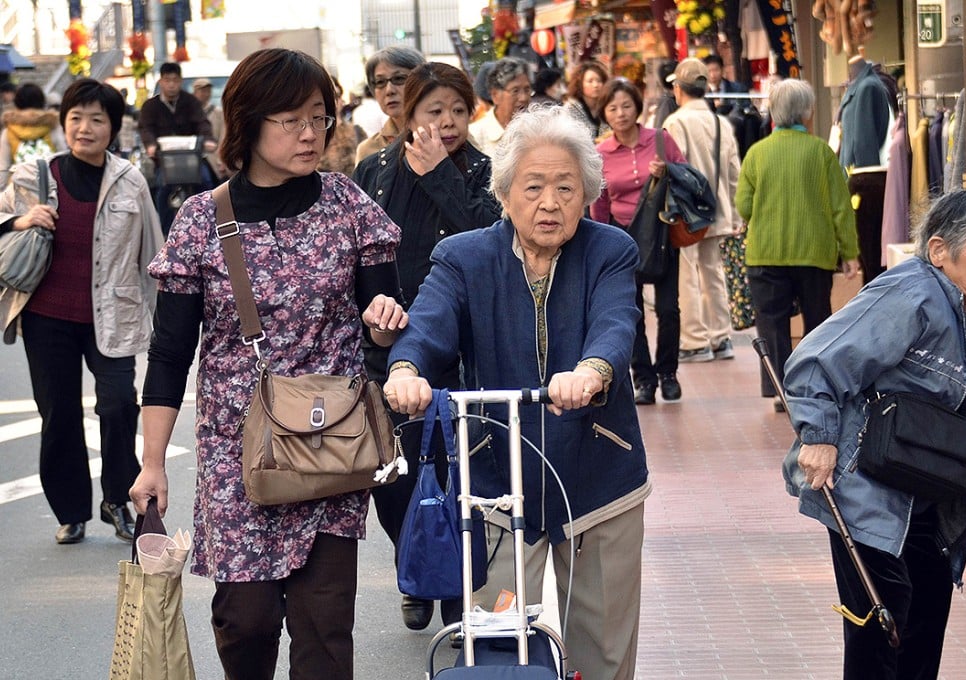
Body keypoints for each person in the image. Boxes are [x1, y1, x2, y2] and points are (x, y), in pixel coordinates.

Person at [128, 48, 407, 680]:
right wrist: (151, 463)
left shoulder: (350, 208)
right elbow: (171, 354)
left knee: (324, 628)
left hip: (333, 447)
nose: (311, 133)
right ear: (248, 124)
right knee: (245, 623)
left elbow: (384, 313)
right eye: (291, 120)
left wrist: (386, 322)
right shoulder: (201, 221)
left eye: (320, 117)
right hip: (237, 455)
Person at [383, 106, 649, 680]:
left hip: (600, 470)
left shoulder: (610, 250)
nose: (549, 203)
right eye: (533, 187)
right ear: (504, 194)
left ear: (587, 195)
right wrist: (405, 369)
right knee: (494, 642)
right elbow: (427, 326)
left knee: (601, 653)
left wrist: (593, 371)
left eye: (565, 187)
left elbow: (614, 323)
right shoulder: (464, 256)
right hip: (496, 477)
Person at [783, 189, 966, 680]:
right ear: (939, 250)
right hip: (866, 488)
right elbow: (815, 361)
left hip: (921, 490)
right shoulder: (910, 293)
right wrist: (818, 436)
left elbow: (933, 403)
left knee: (926, 613)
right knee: (880, 626)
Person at [353, 61, 501, 631]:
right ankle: (411, 564)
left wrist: (443, 174)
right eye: (434, 111)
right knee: (394, 478)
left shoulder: (485, 171)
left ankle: (457, 588)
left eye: (459, 111)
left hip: (464, 348)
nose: (447, 122)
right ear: (407, 113)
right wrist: (370, 322)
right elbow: (356, 261)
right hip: (388, 347)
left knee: (462, 473)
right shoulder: (374, 173)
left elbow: (488, 241)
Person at [0, 78, 162, 545]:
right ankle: (70, 511)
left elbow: (153, 251)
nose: (85, 128)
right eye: (76, 117)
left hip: (114, 313)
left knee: (117, 406)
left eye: (97, 119)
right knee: (59, 414)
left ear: (113, 127)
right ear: (63, 122)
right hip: (47, 317)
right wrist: (20, 219)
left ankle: (117, 498)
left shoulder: (130, 180)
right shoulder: (35, 175)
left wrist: (167, 317)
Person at [735, 79, 860, 411]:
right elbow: (840, 207)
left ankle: (781, 390)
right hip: (814, 252)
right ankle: (816, 386)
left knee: (772, 322)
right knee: (818, 319)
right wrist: (849, 253)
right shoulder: (821, 152)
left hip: (765, 252)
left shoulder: (757, 153)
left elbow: (743, 205)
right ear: (806, 112)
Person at [590, 78, 685, 405]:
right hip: (621, 236)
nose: (620, 113)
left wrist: (669, 171)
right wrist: (600, 242)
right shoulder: (599, 153)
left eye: (626, 105)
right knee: (632, 312)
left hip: (660, 233)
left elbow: (687, 179)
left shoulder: (661, 140)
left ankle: (668, 373)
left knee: (669, 308)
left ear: (637, 107)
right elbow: (598, 202)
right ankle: (643, 379)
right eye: (613, 107)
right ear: (604, 112)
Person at [662, 58, 740, 363]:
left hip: (687, 215)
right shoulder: (721, 123)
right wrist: (734, 214)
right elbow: (734, 171)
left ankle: (695, 341)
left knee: (687, 274)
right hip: (716, 209)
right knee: (713, 273)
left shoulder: (676, 123)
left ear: (680, 89)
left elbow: (673, 169)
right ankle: (721, 337)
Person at [137, 62, 217, 234]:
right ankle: (164, 232)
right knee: (161, 190)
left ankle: (209, 225)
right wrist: (150, 145)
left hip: (192, 158)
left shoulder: (191, 102)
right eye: (167, 80)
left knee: (206, 182)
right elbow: (146, 128)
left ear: (180, 81)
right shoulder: (150, 106)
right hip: (164, 161)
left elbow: (202, 123)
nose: (171, 84)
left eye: (175, 80)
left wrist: (208, 140)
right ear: (161, 82)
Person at [354, 46, 426, 166]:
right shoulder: (368, 150)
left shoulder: (448, 137)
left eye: (399, 79)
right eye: (380, 82)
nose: (389, 90)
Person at [0, 82, 68, 186]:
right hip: (49, 189)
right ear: (42, 102)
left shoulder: (9, 131)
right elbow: (63, 159)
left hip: (18, 190)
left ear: (17, 103)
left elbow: (3, 167)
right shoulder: (52, 126)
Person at [468, 57, 531, 157]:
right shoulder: (475, 136)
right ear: (495, 95)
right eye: (515, 91)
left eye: (527, 90)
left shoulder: (536, 132)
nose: (523, 98)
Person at [316, 77, 360, 177]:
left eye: (337, 96)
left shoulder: (356, 131)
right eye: (328, 97)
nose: (334, 102)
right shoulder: (313, 134)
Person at [191, 77, 227, 180]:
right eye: (201, 90)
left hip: (214, 158)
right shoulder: (188, 113)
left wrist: (222, 159)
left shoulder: (218, 112)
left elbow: (223, 136)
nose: (205, 94)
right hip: (193, 159)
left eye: (207, 91)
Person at [564, 60, 610, 140]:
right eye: (590, 81)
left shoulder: (607, 106)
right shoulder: (571, 109)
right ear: (580, 84)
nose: (595, 85)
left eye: (599, 81)